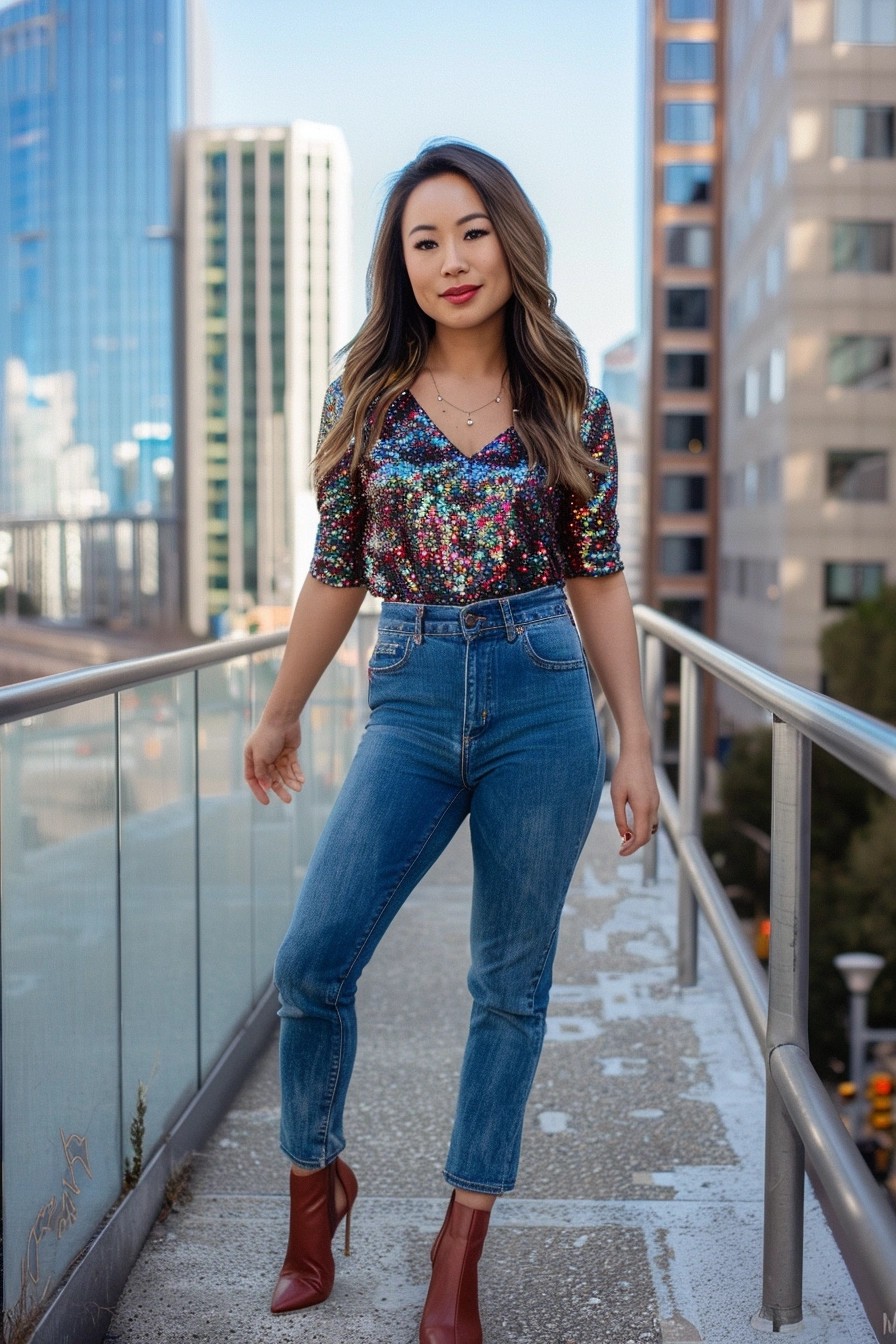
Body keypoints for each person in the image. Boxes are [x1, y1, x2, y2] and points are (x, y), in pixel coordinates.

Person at [243, 140, 660, 1344]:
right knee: (312, 961)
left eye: (468, 230)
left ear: (507, 239)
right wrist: (278, 711)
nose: (449, 259)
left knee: (507, 990)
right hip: (412, 694)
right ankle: (314, 1194)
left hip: (541, 698)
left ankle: (455, 1253)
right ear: (400, 265)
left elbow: (596, 577)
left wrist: (633, 741)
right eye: (423, 240)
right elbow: (335, 573)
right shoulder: (363, 403)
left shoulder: (568, 399)